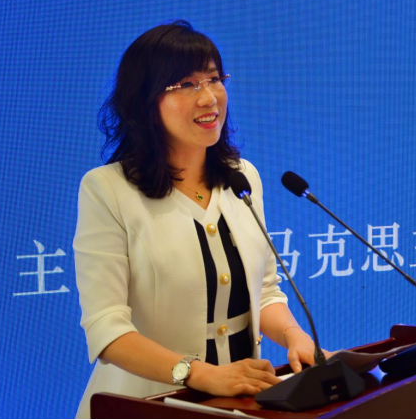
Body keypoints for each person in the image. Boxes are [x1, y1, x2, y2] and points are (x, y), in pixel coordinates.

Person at [74, 21, 320, 419]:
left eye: (214, 79)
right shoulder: (108, 190)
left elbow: (263, 293)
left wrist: (294, 335)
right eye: (186, 84)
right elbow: (107, 329)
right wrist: (200, 374)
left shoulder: (242, 177)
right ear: (145, 101)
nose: (209, 97)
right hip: (145, 405)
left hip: (240, 402)